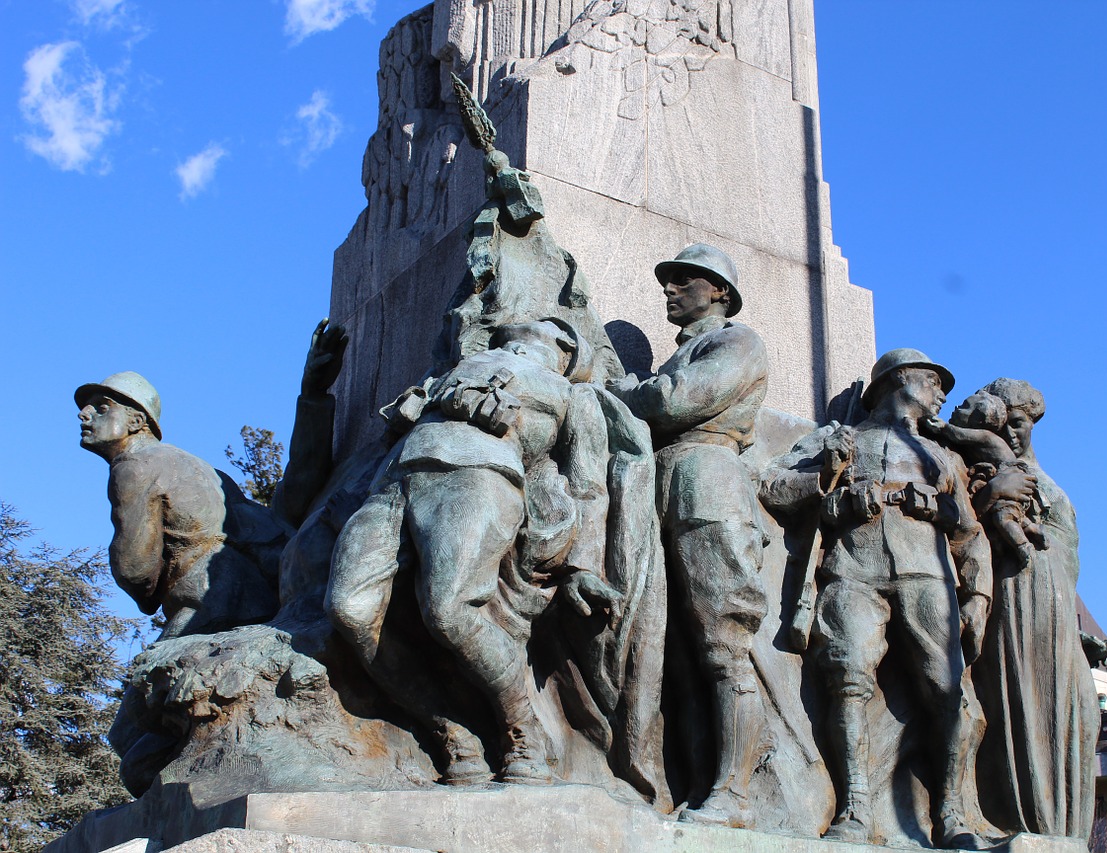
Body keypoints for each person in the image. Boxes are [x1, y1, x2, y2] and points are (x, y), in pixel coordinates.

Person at [327, 319, 621, 785]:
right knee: (350, 610)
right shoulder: (452, 370)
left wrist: (582, 565)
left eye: (549, 323)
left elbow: (588, 486)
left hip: (480, 476)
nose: (527, 322)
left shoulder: (574, 395)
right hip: (393, 481)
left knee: (448, 611)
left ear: (568, 350)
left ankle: (522, 730)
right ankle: (450, 730)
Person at [766, 348, 996, 848]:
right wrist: (831, 486)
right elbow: (774, 485)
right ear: (899, 380)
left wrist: (977, 594)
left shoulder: (943, 456)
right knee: (848, 678)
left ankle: (953, 814)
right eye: (934, 382)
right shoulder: (839, 439)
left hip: (926, 573)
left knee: (947, 688)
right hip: (852, 568)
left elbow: (971, 533)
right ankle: (855, 809)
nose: (941, 394)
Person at [606, 243, 772, 828]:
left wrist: (617, 394)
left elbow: (679, 400)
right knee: (673, 651)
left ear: (719, 292)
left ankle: (737, 794)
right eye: (667, 281)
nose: (670, 290)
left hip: (709, 486)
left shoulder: (736, 341)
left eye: (684, 281)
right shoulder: (682, 354)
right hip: (664, 490)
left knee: (723, 646)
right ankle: (696, 780)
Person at [969, 378, 1100, 840]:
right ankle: (1027, 826)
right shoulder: (984, 469)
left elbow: (1067, 559)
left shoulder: (1050, 485)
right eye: (1003, 424)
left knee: (1082, 714)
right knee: (1024, 705)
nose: (1011, 433)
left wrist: (1079, 629)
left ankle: (1065, 836)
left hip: (1058, 611)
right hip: (1014, 597)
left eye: (1019, 423)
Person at [76, 371, 289, 639]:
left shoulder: (133, 466)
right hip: (258, 599)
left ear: (136, 421)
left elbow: (134, 567)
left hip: (206, 602)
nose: (84, 414)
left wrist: (146, 598)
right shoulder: (206, 469)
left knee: (154, 673)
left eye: (102, 408)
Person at [921, 389, 1049, 567]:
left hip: (1011, 475)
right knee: (1010, 512)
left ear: (977, 420)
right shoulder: (967, 449)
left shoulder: (984, 436)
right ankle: (1031, 528)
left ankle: (1023, 546)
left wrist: (942, 427)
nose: (957, 406)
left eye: (965, 407)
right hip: (1006, 478)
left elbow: (957, 434)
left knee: (1004, 518)